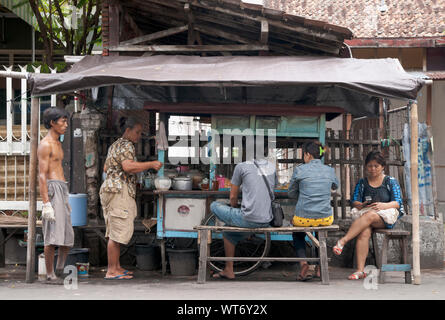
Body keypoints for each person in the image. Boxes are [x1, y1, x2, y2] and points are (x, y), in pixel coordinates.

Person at [99, 117, 163, 280]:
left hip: (109, 189)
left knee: (115, 229)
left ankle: (117, 267)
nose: (139, 135)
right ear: (127, 130)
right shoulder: (126, 145)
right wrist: (151, 164)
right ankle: (112, 270)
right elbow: (128, 166)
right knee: (117, 231)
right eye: (137, 132)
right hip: (118, 191)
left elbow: (106, 167)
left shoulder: (115, 145)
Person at [333, 150, 405, 280]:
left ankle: (343, 241)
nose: (372, 169)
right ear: (366, 166)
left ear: (383, 167)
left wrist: (383, 205)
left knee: (370, 216)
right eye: (370, 166)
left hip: (385, 216)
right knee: (364, 232)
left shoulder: (390, 181)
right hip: (366, 215)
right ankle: (360, 270)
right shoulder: (362, 183)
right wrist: (361, 205)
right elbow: (354, 201)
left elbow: (397, 203)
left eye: (376, 166)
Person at [210, 157, 277, 280]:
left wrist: (234, 208)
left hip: (248, 219)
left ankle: (229, 268)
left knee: (214, 205)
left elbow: (233, 197)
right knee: (228, 232)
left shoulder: (241, 166)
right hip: (267, 220)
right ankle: (228, 270)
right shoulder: (272, 167)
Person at [288, 141, 339, 281]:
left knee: (298, 233)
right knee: (319, 233)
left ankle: (304, 263)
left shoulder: (300, 170)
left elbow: (291, 193)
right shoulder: (329, 170)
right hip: (325, 217)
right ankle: (319, 268)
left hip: (303, 217)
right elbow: (335, 186)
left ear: (308, 154)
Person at [38, 107, 74, 284]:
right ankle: (50, 273)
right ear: (52, 123)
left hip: (62, 188)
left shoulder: (58, 142)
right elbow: (42, 175)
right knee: (52, 235)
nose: (66, 125)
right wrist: (46, 203)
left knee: (67, 235)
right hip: (52, 188)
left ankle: (59, 269)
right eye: (63, 121)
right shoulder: (46, 144)